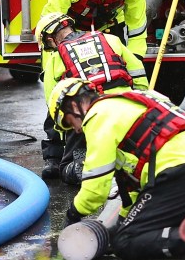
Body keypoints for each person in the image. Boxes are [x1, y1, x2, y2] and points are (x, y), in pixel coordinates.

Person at [48, 77, 185, 260]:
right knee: (136, 230)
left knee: (126, 242)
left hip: (180, 174)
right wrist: (122, 221)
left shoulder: (98, 117)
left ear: (73, 107)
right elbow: (136, 191)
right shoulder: (125, 101)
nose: (75, 130)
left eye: (68, 122)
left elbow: (95, 188)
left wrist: (73, 212)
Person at [35, 12, 149, 183]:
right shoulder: (109, 39)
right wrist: (142, 101)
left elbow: (54, 105)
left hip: (89, 116)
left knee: (66, 167)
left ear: (50, 40)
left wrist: (65, 132)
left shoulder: (56, 58)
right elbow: (137, 70)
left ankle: (82, 165)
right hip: (126, 107)